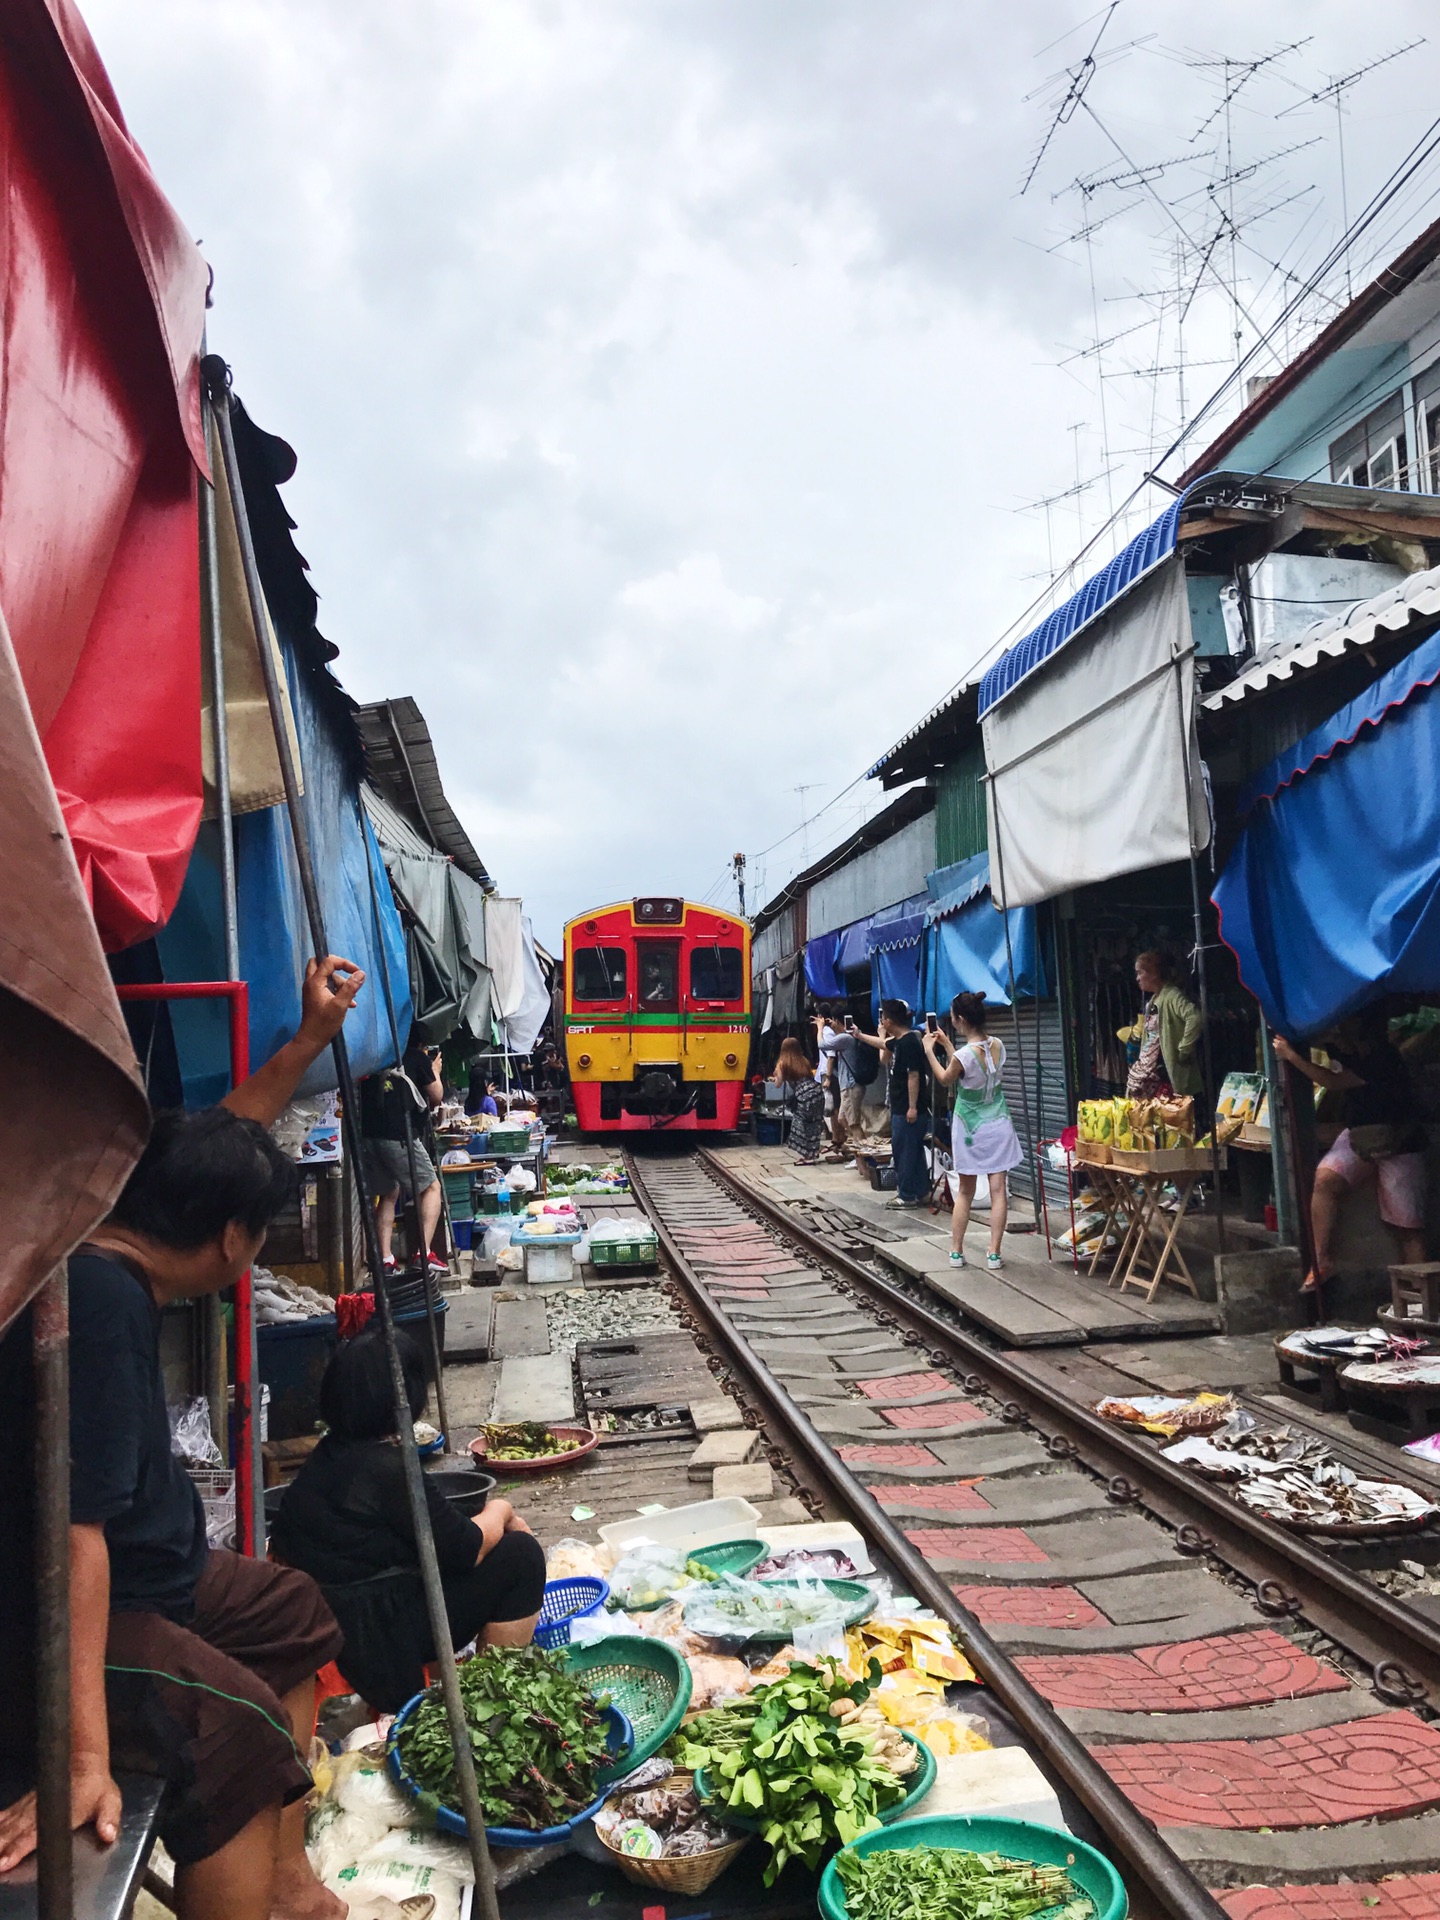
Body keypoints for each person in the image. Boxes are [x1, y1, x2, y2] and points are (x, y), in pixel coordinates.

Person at [0, 956, 366, 1920]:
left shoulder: (116, 1218)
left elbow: (228, 1143)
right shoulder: (102, 1309)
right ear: (233, 1244)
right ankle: (249, 1868)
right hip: (83, 1614)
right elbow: (75, 1537)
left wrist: (307, 1042)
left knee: (294, 1610)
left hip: (163, 1572)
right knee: (238, 1728)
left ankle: (284, 1881)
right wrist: (77, 1756)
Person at [270, 1329, 545, 1712]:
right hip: (381, 1639)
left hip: (348, 1624)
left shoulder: (329, 1456)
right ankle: (489, 1701)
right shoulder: (387, 1469)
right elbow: (467, 1549)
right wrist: (502, 1510)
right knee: (521, 1555)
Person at [1274, 1008, 1428, 1296]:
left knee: (1406, 1227)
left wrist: (1292, 1057)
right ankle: (1321, 1260)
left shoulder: (1381, 1057)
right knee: (1325, 1179)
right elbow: (1326, 1044)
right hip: (1360, 1135)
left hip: (1399, 1141)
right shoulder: (1352, 1050)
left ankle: (1420, 1296)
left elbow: (1332, 1081)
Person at [923, 993, 1022, 1270]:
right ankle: (994, 1253)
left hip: (970, 1127)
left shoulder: (964, 1055)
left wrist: (931, 1050)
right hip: (999, 1121)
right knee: (998, 1190)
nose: (951, 1022)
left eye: (953, 1017)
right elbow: (974, 1066)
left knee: (965, 1191)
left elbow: (946, 1078)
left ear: (961, 1019)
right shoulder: (999, 1045)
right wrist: (947, 1043)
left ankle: (956, 1251)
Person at [360, 1032, 446, 1275]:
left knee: (389, 1193)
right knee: (431, 1188)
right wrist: (435, 1071)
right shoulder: (417, 1058)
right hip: (399, 1136)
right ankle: (423, 1253)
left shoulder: (374, 1058)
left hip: (370, 1136)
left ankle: (386, 1258)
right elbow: (437, 1096)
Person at [854, 1000, 931, 1207]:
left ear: (888, 1021)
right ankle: (922, 1192)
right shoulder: (900, 1040)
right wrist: (859, 1035)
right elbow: (882, 1045)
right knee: (914, 1152)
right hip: (904, 1107)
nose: (881, 1021)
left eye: (882, 1018)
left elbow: (913, 1076)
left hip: (907, 1108)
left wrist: (912, 1106)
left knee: (903, 1152)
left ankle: (906, 1195)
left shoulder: (908, 1043)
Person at [1118, 951, 1203, 1102]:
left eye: (1140, 973)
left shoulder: (1172, 996)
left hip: (1166, 1075)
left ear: (1153, 973)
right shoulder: (1153, 1001)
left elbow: (1194, 1017)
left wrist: (1184, 1049)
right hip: (1151, 1074)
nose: (1137, 978)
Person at [772, 1036, 826, 1165]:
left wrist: (775, 1076)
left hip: (803, 1095)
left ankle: (807, 1156)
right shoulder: (804, 1061)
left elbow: (778, 1084)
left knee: (800, 1124)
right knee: (814, 1123)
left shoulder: (782, 1063)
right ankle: (811, 1154)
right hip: (816, 1092)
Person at [818, 1009, 864, 1157]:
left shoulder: (845, 1037)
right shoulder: (848, 1036)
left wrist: (820, 1027)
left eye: (833, 1021)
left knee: (853, 1123)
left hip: (851, 1085)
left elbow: (822, 1045)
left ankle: (863, 1154)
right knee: (843, 1118)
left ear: (838, 1021)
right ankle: (857, 1149)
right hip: (847, 1084)